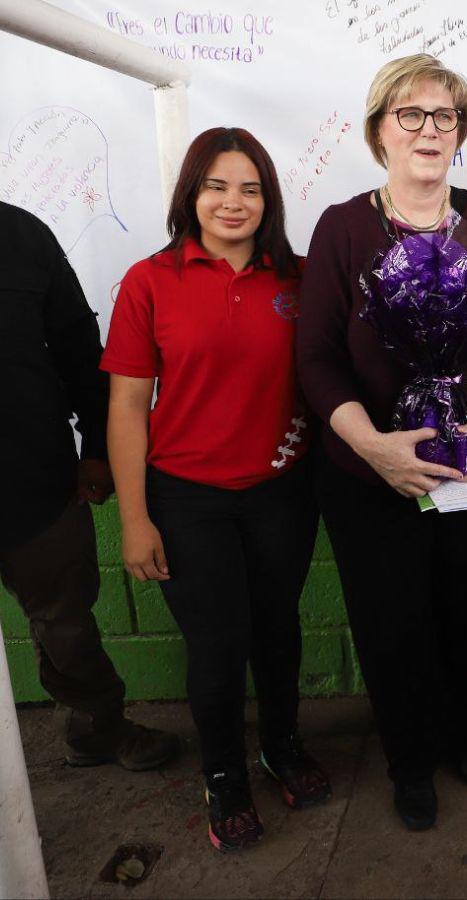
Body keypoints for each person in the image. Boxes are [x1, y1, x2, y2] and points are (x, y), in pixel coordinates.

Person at [296, 54, 467, 832]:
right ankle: (407, 758)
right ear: (380, 130)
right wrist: (373, 448)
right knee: (390, 621)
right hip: (371, 476)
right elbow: (317, 358)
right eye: (412, 115)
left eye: (445, 116)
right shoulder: (343, 227)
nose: (429, 130)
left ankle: (460, 732)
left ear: (461, 131)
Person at [103, 128, 330, 852]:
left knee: (278, 631)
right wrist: (134, 520)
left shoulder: (300, 277)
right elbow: (128, 407)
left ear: (269, 200)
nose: (233, 203)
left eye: (251, 188)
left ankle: (282, 746)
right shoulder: (150, 280)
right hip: (186, 499)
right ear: (191, 194)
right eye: (217, 186)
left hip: (281, 494)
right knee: (217, 645)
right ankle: (225, 774)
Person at [0, 201, 179, 772]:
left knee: (65, 621)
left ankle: (96, 727)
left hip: (32, 480)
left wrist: (97, 450)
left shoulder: (20, 234)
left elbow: (79, 348)